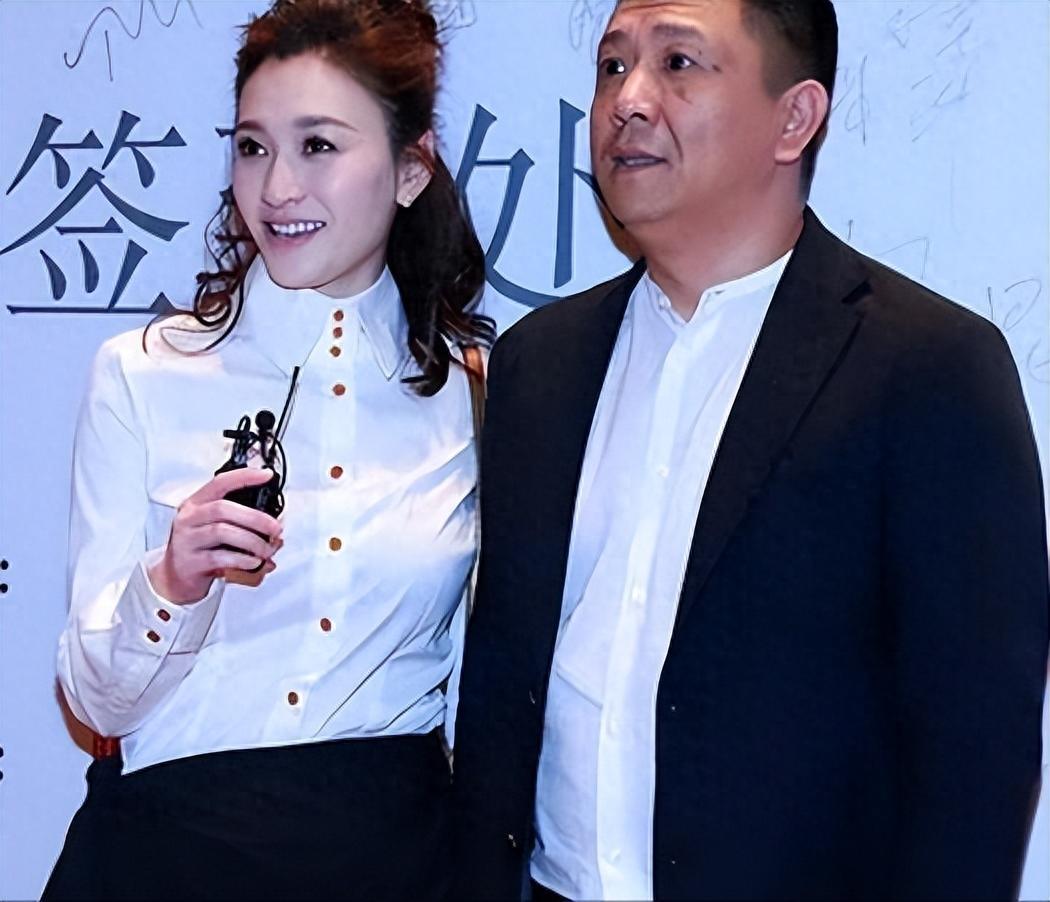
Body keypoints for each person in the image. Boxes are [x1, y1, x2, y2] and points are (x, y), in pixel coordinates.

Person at [451, 0, 1050, 899]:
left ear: (795, 118)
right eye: (613, 66)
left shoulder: (928, 367)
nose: (627, 101)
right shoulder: (540, 361)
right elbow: (501, 688)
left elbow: (976, 756)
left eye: (678, 64)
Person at [45, 1, 501, 898]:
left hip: (394, 863)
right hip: (167, 862)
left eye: (318, 145)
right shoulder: (143, 373)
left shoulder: (472, 398)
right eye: (253, 147)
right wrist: (172, 583)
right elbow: (95, 703)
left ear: (412, 170)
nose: (277, 187)